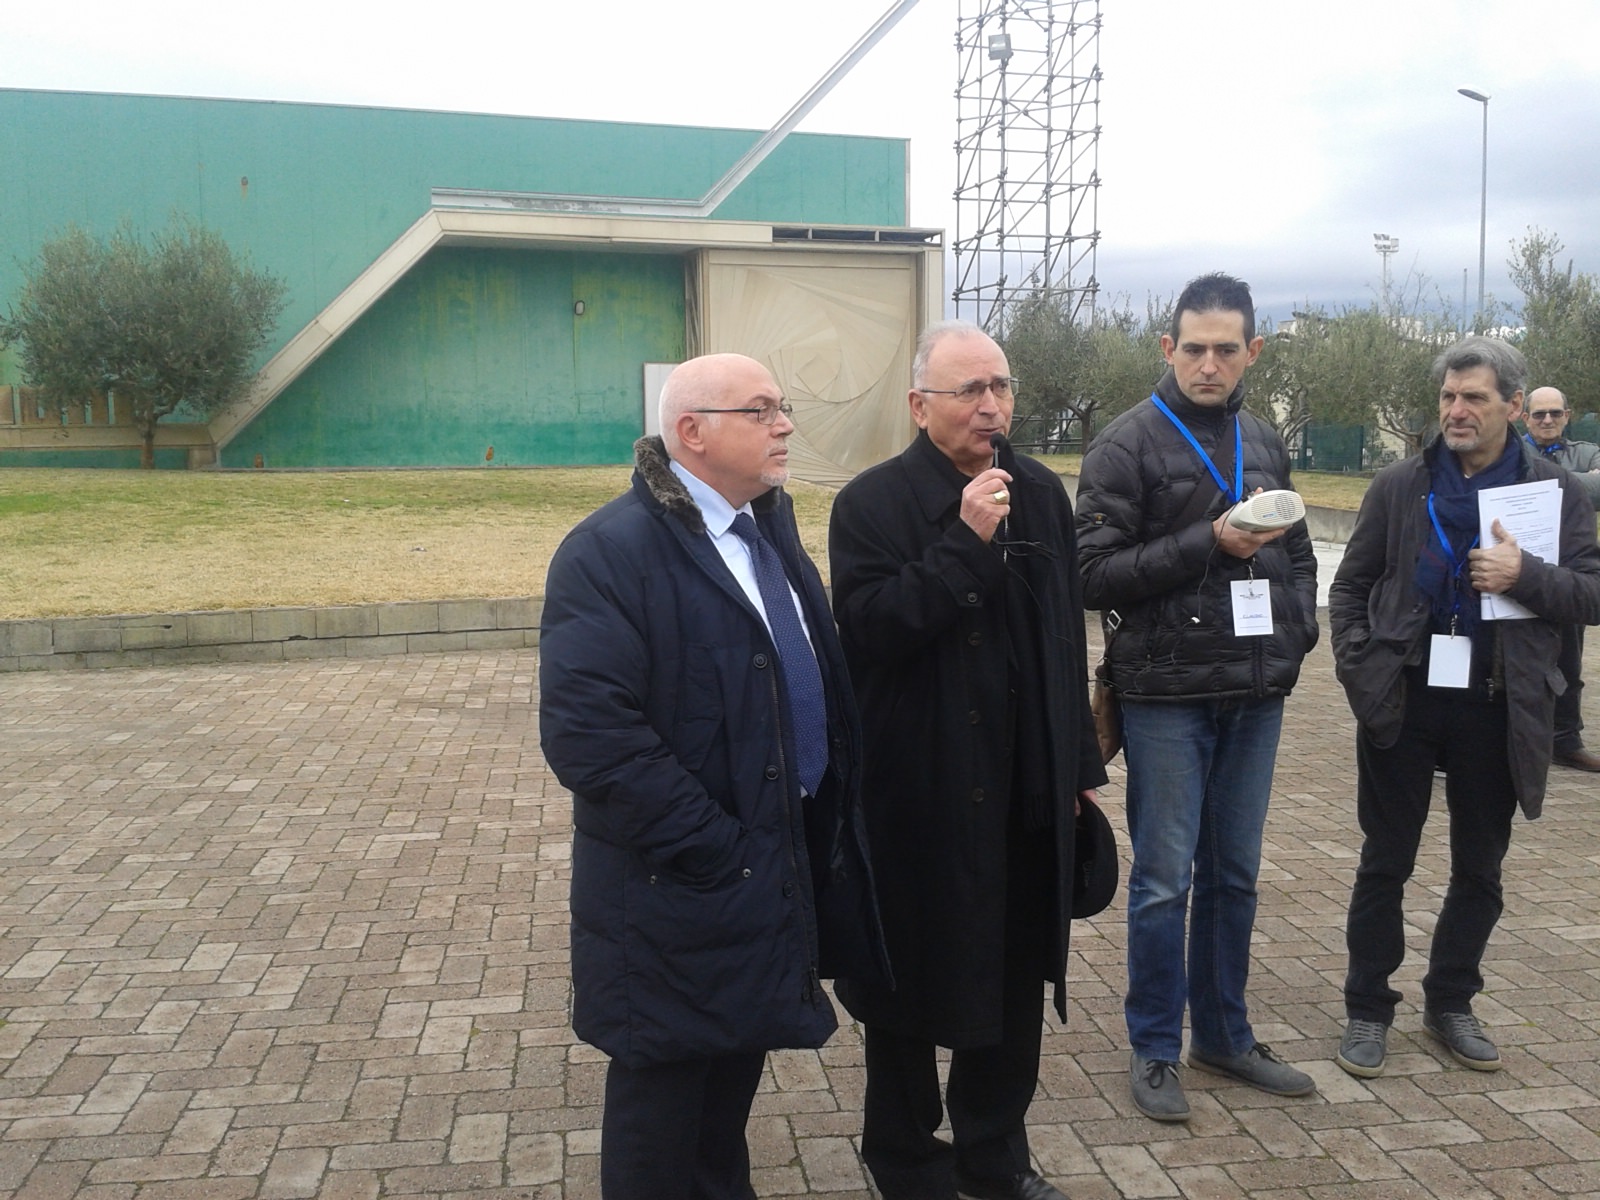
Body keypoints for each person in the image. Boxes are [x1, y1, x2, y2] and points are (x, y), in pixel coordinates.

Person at [539, 353, 888, 1199]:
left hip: (767, 866)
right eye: (761, 409)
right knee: (661, 1116)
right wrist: (718, 847)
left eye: (783, 406)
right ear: (691, 432)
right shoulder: (608, 553)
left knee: (725, 1095)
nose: (785, 425)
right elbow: (590, 735)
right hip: (682, 884)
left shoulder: (765, 528)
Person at [828, 320, 1106, 1200]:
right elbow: (872, 631)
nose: (991, 407)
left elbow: (1065, 639)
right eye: (968, 392)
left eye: (1001, 388)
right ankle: (906, 1160)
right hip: (922, 790)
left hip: (1026, 786)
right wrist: (964, 543)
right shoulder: (869, 505)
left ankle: (996, 1157)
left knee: (1017, 980)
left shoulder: (1042, 494)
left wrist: (1075, 772)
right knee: (907, 989)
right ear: (920, 406)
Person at [1074, 272, 1320, 1122]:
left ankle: (1224, 1034)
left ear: (1252, 351)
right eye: (1193, 347)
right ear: (1167, 348)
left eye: (1226, 348)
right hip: (1166, 697)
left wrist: (1297, 632)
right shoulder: (1125, 445)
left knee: (1236, 876)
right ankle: (1153, 1048)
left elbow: (1297, 557)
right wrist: (1204, 542)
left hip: (1257, 691)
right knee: (1163, 881)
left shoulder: (1263, 433)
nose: (1208, 363)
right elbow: (1088, 572)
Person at [1329, 338, 1600, 1078]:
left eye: (1474, 398)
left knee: (1480, 868)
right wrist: (1362, 671)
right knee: (1386, 861)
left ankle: (1451, 1000)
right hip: (1406, 699)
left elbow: (1590, 594)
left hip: (1497, 704)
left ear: (1513, 406)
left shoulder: (1555, 494)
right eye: (1449, 396)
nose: (1456, 410)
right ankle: (1366, 1007)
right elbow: (1350, 586)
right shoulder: (1400, 485)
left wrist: (1525, 574)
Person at [1522, 386, 1600, 772]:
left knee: (1569, 659)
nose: (1547, 420)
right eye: (1539, 415)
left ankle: (1565, 740)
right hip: (1517, 568)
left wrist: (1550, 484)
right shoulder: (1513, 452)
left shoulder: (1587, 450)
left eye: (1555, 413)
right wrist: (1578, 482)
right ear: (1524, 418)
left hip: (1568, 571)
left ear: (1568, 415)